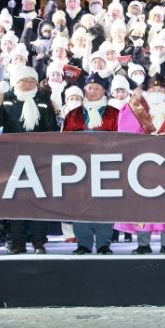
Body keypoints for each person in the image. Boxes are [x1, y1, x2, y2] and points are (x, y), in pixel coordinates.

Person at [115, 73, 165, 254]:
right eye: (153, 90)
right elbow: (126, 129)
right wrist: (133, 102)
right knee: (143, 203)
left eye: (160, 90)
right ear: (147, 92)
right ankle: (143, 244)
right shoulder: (138, 109)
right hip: (144, 164)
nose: (156, 93)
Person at [0, 66, 58, 254]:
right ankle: (17, 242)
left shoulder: (43, 101)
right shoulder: (7, 99)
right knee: (16, 201)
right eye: (24, 81)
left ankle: (39, 242)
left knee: (39, 200)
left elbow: (52, 130)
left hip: (39, 158)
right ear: (15, 82)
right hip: (13, 158)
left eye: (32, 80)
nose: (28, 84)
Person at [63, 73, 119, 255]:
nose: (92, 91)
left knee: (105, 205)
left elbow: (123, 141)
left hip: (107, 166)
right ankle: (84, 243)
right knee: (80, 204)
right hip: (80, 166)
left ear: (104, 91)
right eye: (89, 88)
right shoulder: (73, 114)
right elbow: (64, 142)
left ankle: (104, 243)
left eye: (97, 88)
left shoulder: (114, 114)